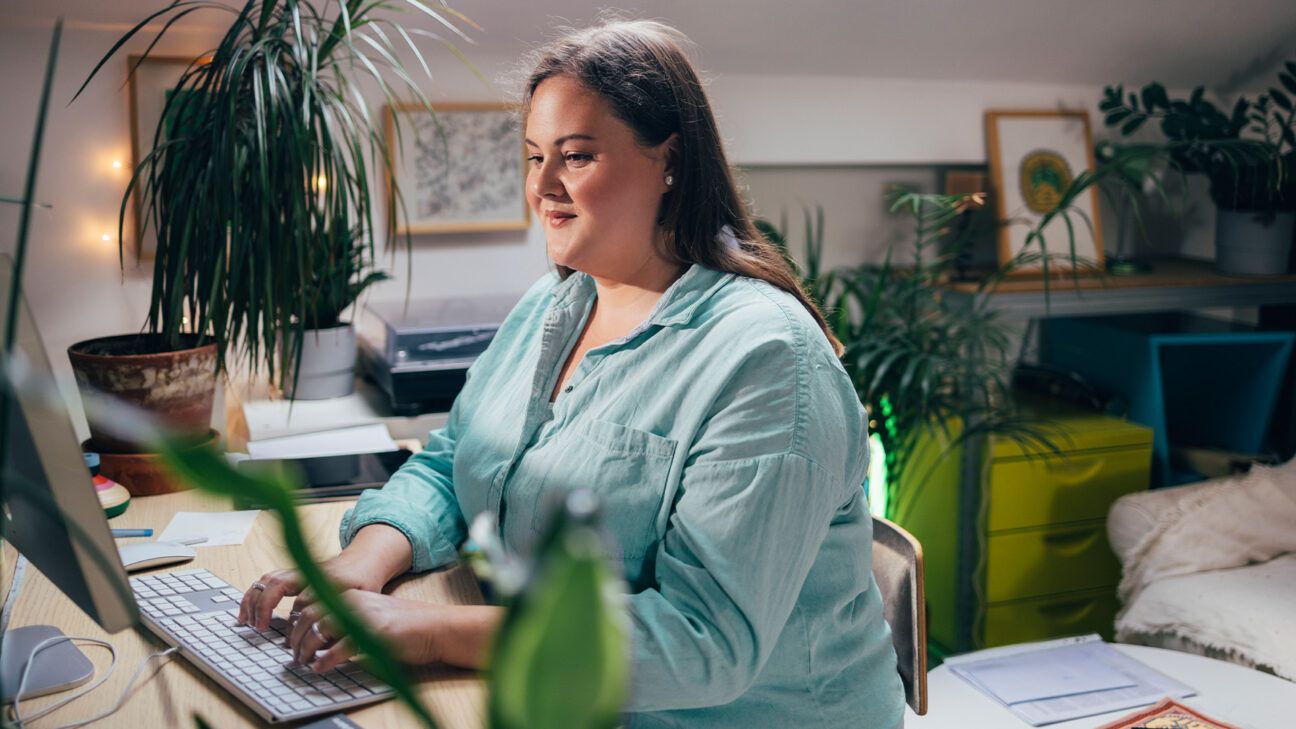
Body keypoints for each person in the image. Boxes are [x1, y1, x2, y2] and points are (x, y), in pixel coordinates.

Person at [240, 18, 905, 728]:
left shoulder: (766, 361)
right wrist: (364, 564)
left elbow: (702, 643)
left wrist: (428, 628)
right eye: (534, 157)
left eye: (577, 157)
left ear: (670, 160)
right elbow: (451, 461)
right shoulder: (554, 302)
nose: (544, 187)